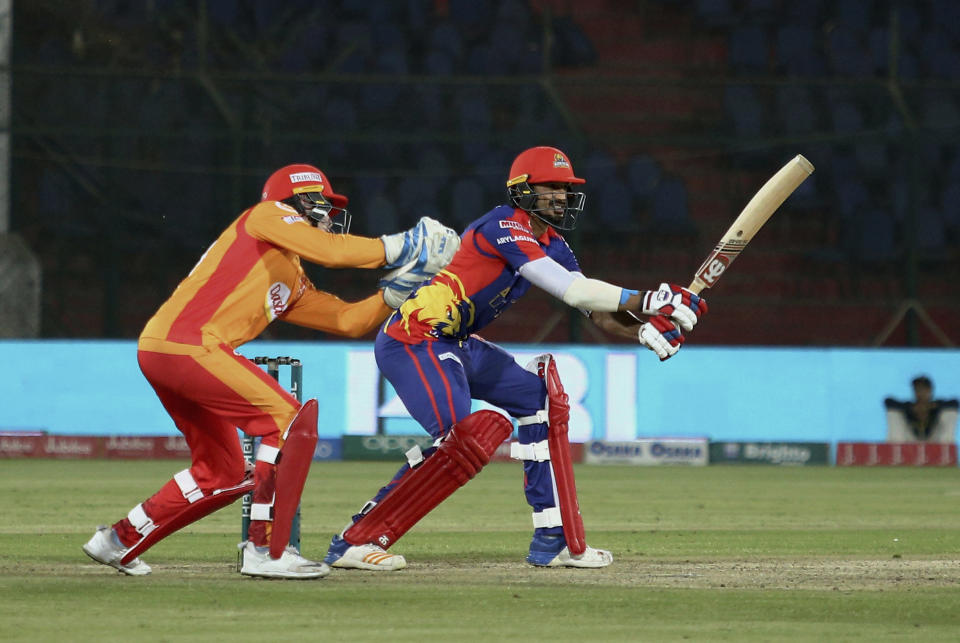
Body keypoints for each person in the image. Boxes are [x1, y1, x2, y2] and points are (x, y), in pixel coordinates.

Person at [321, 146, 707, 571]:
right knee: (459, 440)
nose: (561, 196)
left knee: (538, 400)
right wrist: (654, 298)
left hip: (458, 343)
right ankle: (356, 539)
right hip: (415, 338)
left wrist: (645, 327)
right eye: (551, 187)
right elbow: (574, 291)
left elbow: (598, 312)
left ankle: (552, 538)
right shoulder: (501, 226)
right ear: (521, 190)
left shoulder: (553, 243)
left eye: (566, 188)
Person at [82, 163, 459, 578]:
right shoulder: (265, 216)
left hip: (169, 349)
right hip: (189, 345)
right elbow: (334, 253)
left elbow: (346, 321)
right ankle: (265, 550)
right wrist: (404, 245)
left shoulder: (290, 272)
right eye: (323, 204)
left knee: (221, 471)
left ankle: (116, 539)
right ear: (297, 200)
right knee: (288, 421)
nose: (330, 216)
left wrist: (399, 290)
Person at [885, 375, 959, 443]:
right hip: (911, 441)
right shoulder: (908, 406)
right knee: (894, 413)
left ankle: (945, 448)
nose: (920, 393)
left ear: (930, 391)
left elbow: (954, 403)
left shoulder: (938, 405)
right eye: (917, 389)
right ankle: (895, 447)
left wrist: (929, 407)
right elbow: (888, 401)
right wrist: (912, 408)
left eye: (924, 390)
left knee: (949, 412)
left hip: (934, 441)